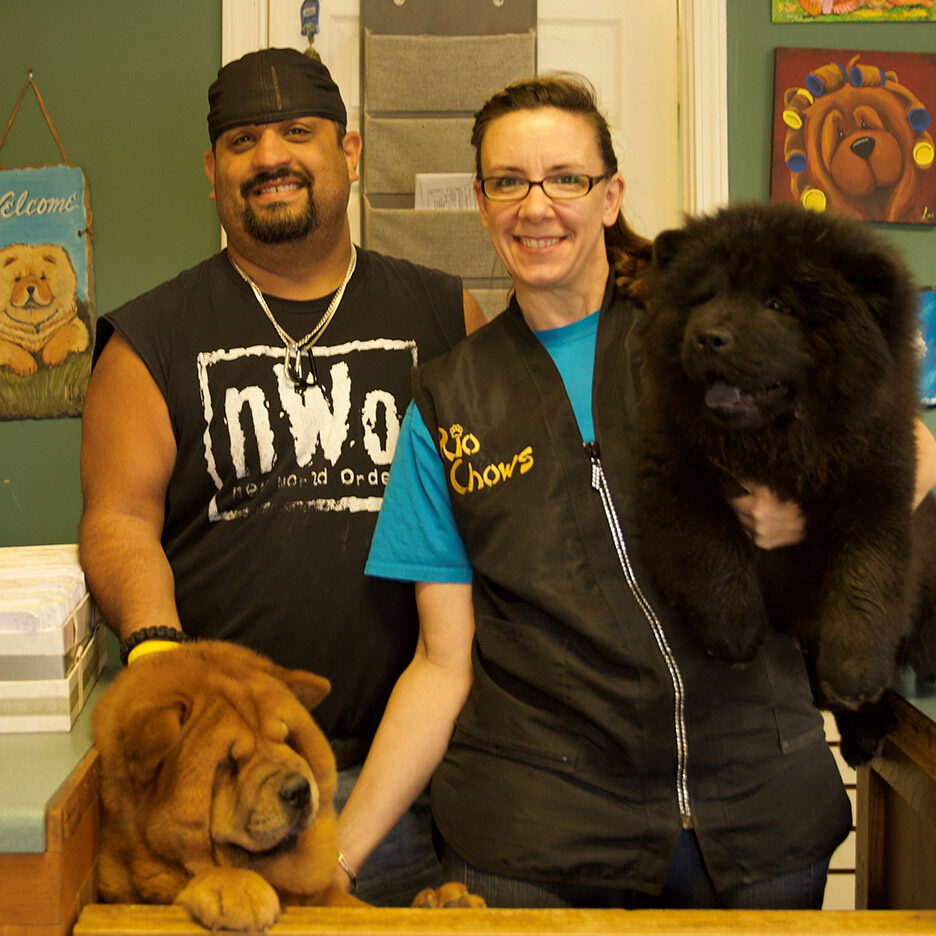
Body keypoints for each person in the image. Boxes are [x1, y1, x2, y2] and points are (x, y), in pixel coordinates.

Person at [336, 75, 936, 908]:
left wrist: (800, 520)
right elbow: (442, 665)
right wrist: (335, 861)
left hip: (758, 822)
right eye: (509, 182)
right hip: (535, 843)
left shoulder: (707, 335)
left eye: (566, 179)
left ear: (611, 195)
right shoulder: (448, 400)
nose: (535, 206)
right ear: (481, 202)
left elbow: (909, 450)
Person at [78, 47, 485, 907]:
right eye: (242, 140)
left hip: (413, 773)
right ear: (212, 169)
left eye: (297, 132)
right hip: (222, 802)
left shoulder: (445, 314)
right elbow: (120, 520)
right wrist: (155, 646)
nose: (270, 157)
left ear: (351, 150)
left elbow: (497, 517)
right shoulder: (148, 341)